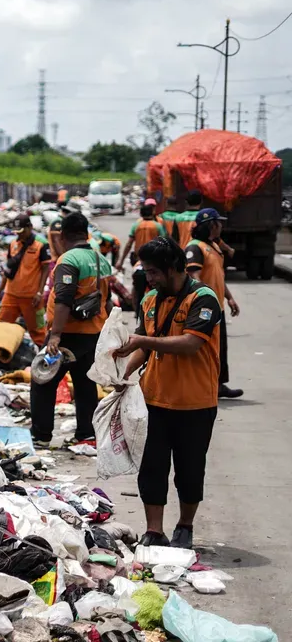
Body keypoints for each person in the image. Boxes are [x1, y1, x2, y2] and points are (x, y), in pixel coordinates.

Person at [114, 237, 222, 548]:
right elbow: (145, 345)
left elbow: (190, 344)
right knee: (152, 468)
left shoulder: (203, 298)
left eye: (154, 272)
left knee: (189, 471)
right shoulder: (150, 299)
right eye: (146, 272)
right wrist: (124, 373)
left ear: (174, 268)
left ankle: (185, 526)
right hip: (153, 402)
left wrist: (141, 343)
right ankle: (154, 531)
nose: (149, 278)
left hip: (195, 404)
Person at [31, 212, 111, 448]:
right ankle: (86, 433)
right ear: (86, 233)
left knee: (43, 381)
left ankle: (42, 434)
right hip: (93, 333)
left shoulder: (68, 260)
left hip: (67, 335)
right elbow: (107, 301)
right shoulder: (100, 259)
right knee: (86, 384)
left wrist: (55, 334)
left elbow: (64, 299)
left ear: (63, 235)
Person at [184, 208, 242, 399]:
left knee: (219, 348)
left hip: (218, 307)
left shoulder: (214, 247)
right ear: (211, 225)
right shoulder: (195, 247)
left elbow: (218, 276)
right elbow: (194, 276)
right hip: (206, 308)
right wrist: (202, 300)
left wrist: (229, 297)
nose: (221, 226)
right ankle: (205, 386)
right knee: (207, 349)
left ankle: (218, 384)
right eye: (219, 222)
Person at [0, 215, 52, 345]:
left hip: (31, 298)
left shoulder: (40, 246)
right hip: (11, 295)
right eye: (17, 232)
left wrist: (39, 292)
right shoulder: (13, 245)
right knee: (0, 328)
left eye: (22, 232)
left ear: (30, 228)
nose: (19, 235)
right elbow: (7, 271)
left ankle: (43, 360)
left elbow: (45, 270)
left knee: (38, 332)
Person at [118, 199, 167, 318]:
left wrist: (121, 260)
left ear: (141, 214)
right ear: (152, 212)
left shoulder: (137, 225)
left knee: (137, 289)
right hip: (156, 262)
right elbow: (164, 243)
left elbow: (129, 243)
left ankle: (138, 313)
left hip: (139, 262)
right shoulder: (157, 226)